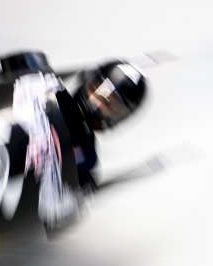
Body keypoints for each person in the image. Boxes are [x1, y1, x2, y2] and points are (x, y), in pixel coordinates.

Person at [62, 61, 148, 189]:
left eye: (112, 106)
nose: (98, 105)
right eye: (100, 93)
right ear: (88, 81)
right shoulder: (50, 93)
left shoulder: (86, 156)